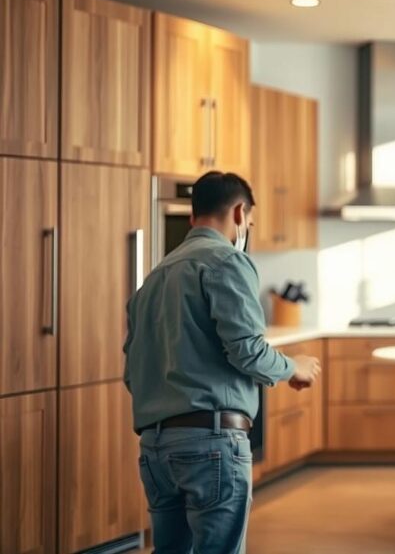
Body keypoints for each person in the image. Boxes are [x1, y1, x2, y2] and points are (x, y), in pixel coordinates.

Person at [124, 171, 321, 552]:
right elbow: (247, 348)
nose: (246, 228)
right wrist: (292, 366)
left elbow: (133, 373)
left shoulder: (152, 279)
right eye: (248, 221)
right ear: (239, 212)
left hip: (155, 449)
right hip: (211, 444)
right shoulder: (227, 261)